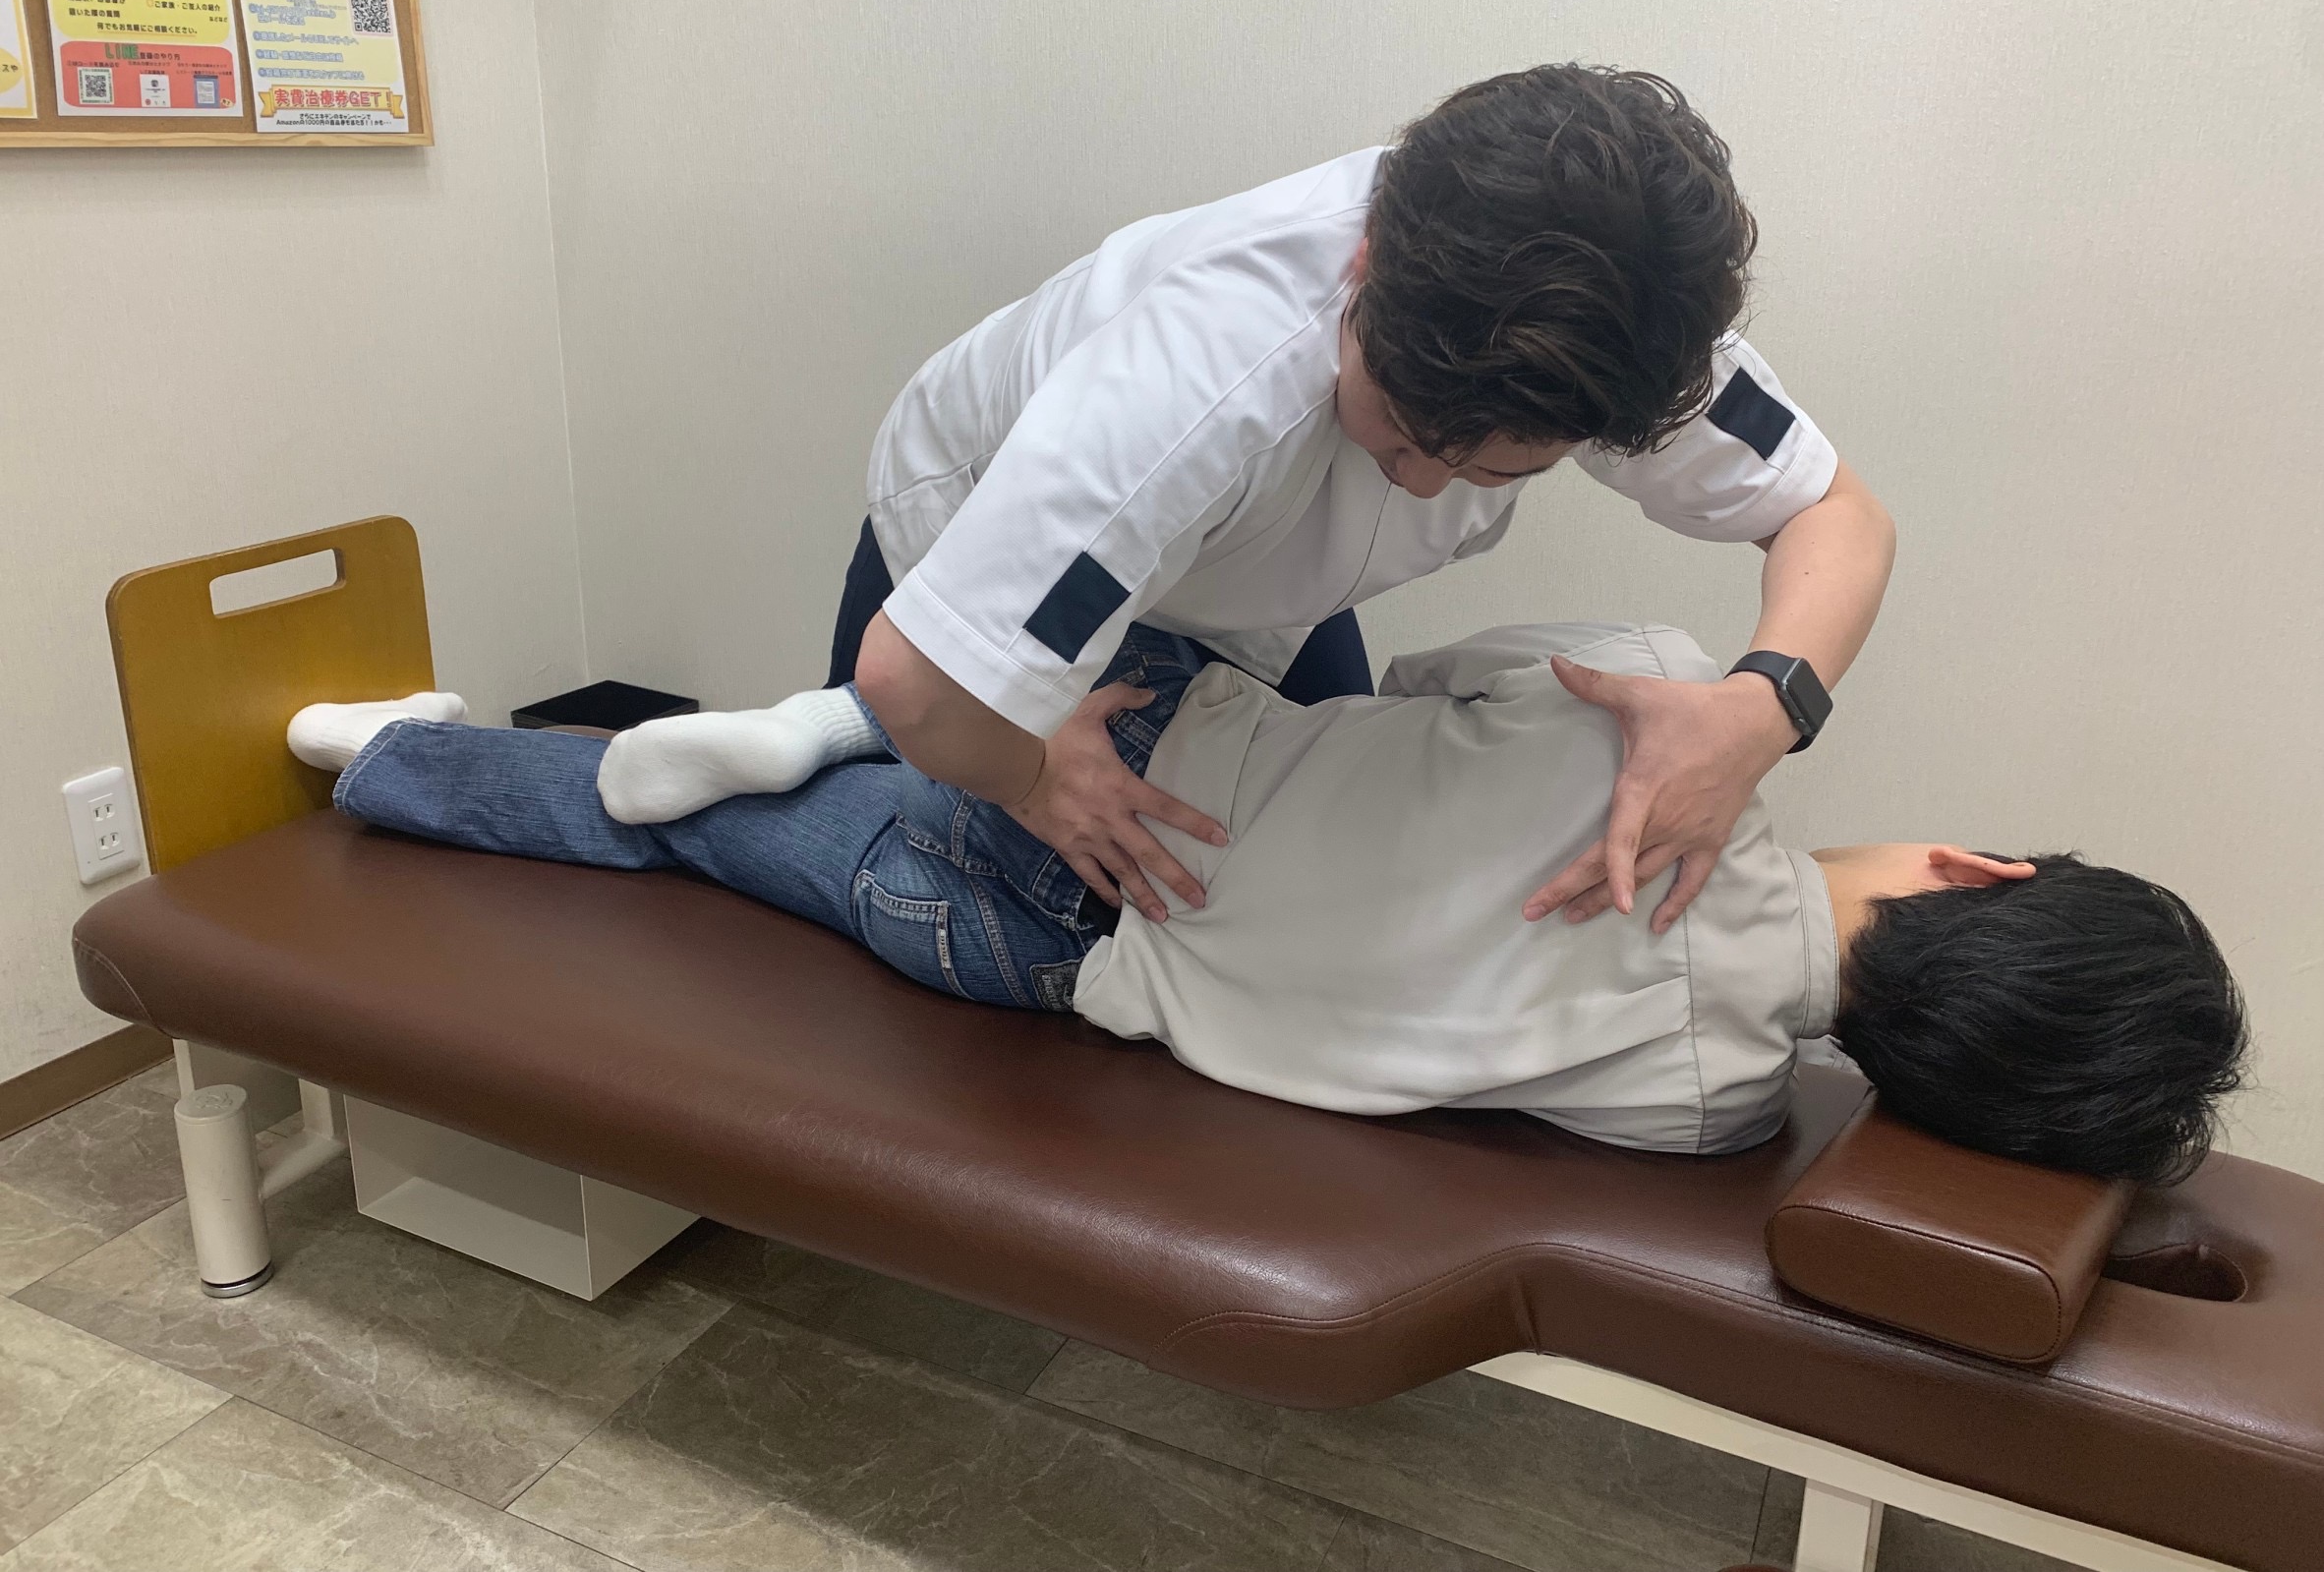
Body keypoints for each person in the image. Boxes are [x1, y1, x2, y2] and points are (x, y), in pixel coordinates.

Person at [286, 619, 2243, 1184]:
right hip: (1046, 949)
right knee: (693, 827)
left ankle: (831, 713)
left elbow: (1429, 675)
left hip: (1111, 753)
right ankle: (417, 761)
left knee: (1268, 642)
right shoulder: (1714, 1110)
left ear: (1980, 864)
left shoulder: (1655, 692)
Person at [830, 63, 1898, 940]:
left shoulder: (1625, 329)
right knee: (975, 893)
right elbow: (915, 685)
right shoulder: (1194, 387)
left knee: (1279, 882)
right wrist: (1031, 777)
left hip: (1254, 579)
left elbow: (1839, 517)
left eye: (1494, 472)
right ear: (1368, 256)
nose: (1424, 483)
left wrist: (1761, 712)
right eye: (1398, 432)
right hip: (974, 543)